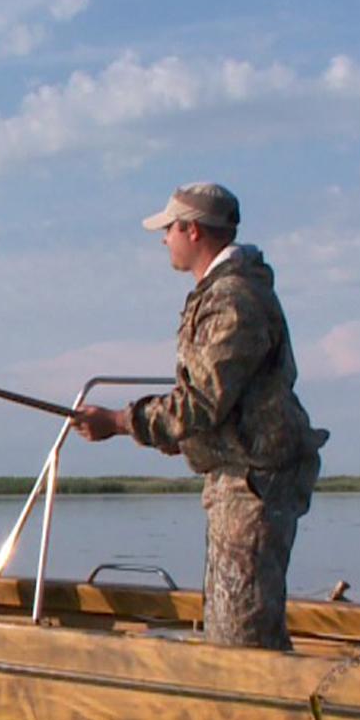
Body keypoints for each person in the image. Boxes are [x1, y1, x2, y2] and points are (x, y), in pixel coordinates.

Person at [73, 182, 328, 650]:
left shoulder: (232, 299)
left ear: (193, 231)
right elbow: (215, 403)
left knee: (241, 636)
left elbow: (201, 403)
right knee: (234, 624)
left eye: (169, 229)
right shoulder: (226, 292)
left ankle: (264, 698)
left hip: (255, 480)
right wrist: (170, 434)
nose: (163, 239)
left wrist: (119, 422)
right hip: (240, 475)